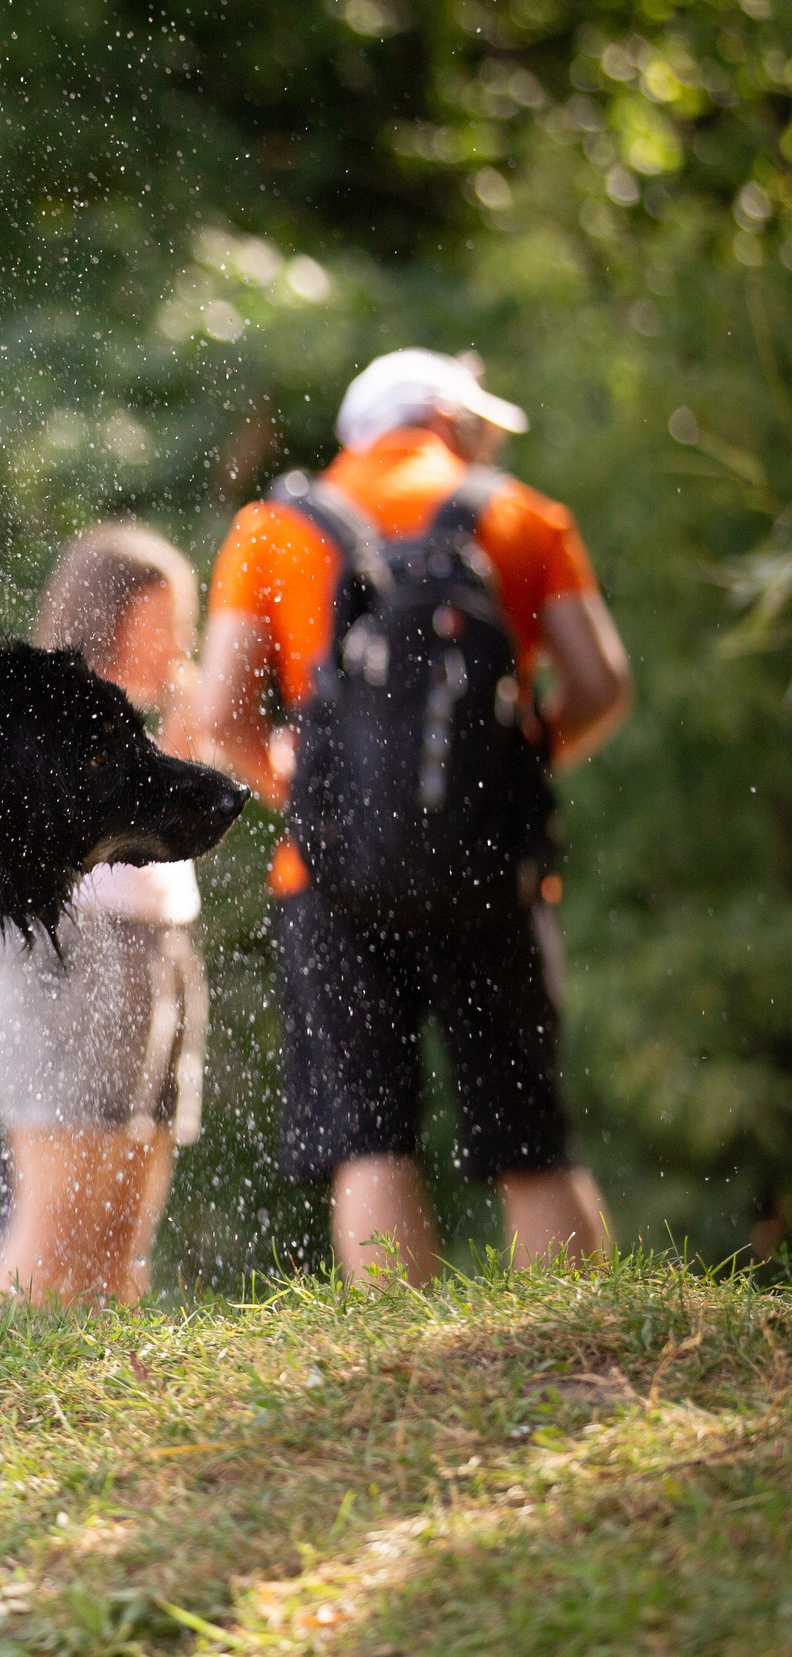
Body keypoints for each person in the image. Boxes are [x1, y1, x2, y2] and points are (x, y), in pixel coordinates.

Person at [192, 349, 633, 1287]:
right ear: (446, 418)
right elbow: (601, 685)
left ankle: (400, 1359)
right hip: (496, 870)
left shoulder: (272, 528)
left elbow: (226, 706)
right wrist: (513, 767)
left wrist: (299, 786)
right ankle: (581, 1343)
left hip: (328, 872)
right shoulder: (523, 516)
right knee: (529, 1137)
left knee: (369, 1133)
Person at [0, 523, 209, 1304]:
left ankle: (103, 1394)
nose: (182, 640)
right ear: (111, 616)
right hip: (74, 949)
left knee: (125, 1216)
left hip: (157, 941)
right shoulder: (57, 707)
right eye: (165, 619)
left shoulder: (149, 712)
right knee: (60, 1215)